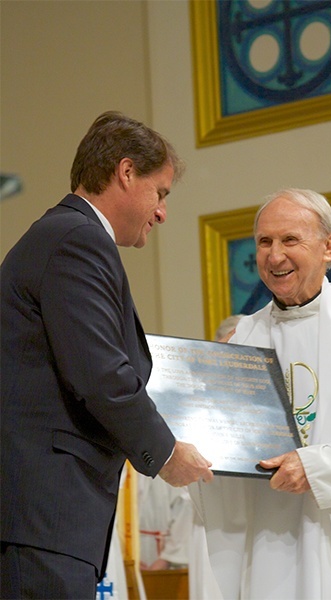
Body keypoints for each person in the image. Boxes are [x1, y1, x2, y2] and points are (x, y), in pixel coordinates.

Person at [0, 111, 213, 600]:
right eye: (160, 193)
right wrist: (165, 453)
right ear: (125, 172)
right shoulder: (76, 239)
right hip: (44, 522)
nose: (161, 213)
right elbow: (101, 375)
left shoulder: (64, 236)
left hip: (45, 524)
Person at [189, 188, 331, 599]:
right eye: (264, 242)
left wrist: (316, 468)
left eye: (290, 240)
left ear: (328, 246)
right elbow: (217, 454)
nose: (274, 255)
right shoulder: (243, 340)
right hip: (270, 547)